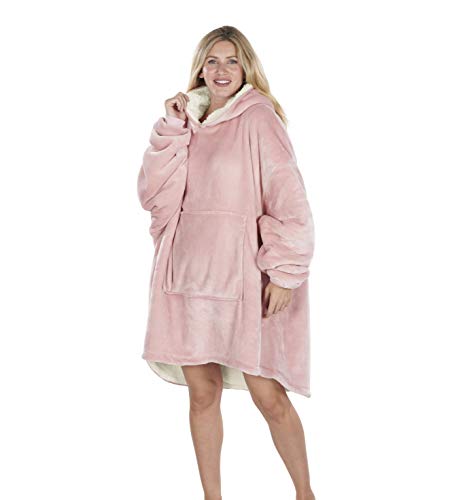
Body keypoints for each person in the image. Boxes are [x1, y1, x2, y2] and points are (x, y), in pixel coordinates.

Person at [137, 25, 316, 500]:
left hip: (243, 280)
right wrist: (173, 127)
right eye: (212, 61)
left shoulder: (259, 119)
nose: (221, 70)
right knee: (202, 394)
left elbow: (289, 198)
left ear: (246, 68)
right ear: (200, 68)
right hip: (186, 278)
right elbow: (155, 195)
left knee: (269, 395)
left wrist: (284, 271)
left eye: (232, 60)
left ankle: (306, 494)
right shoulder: (186, 122)